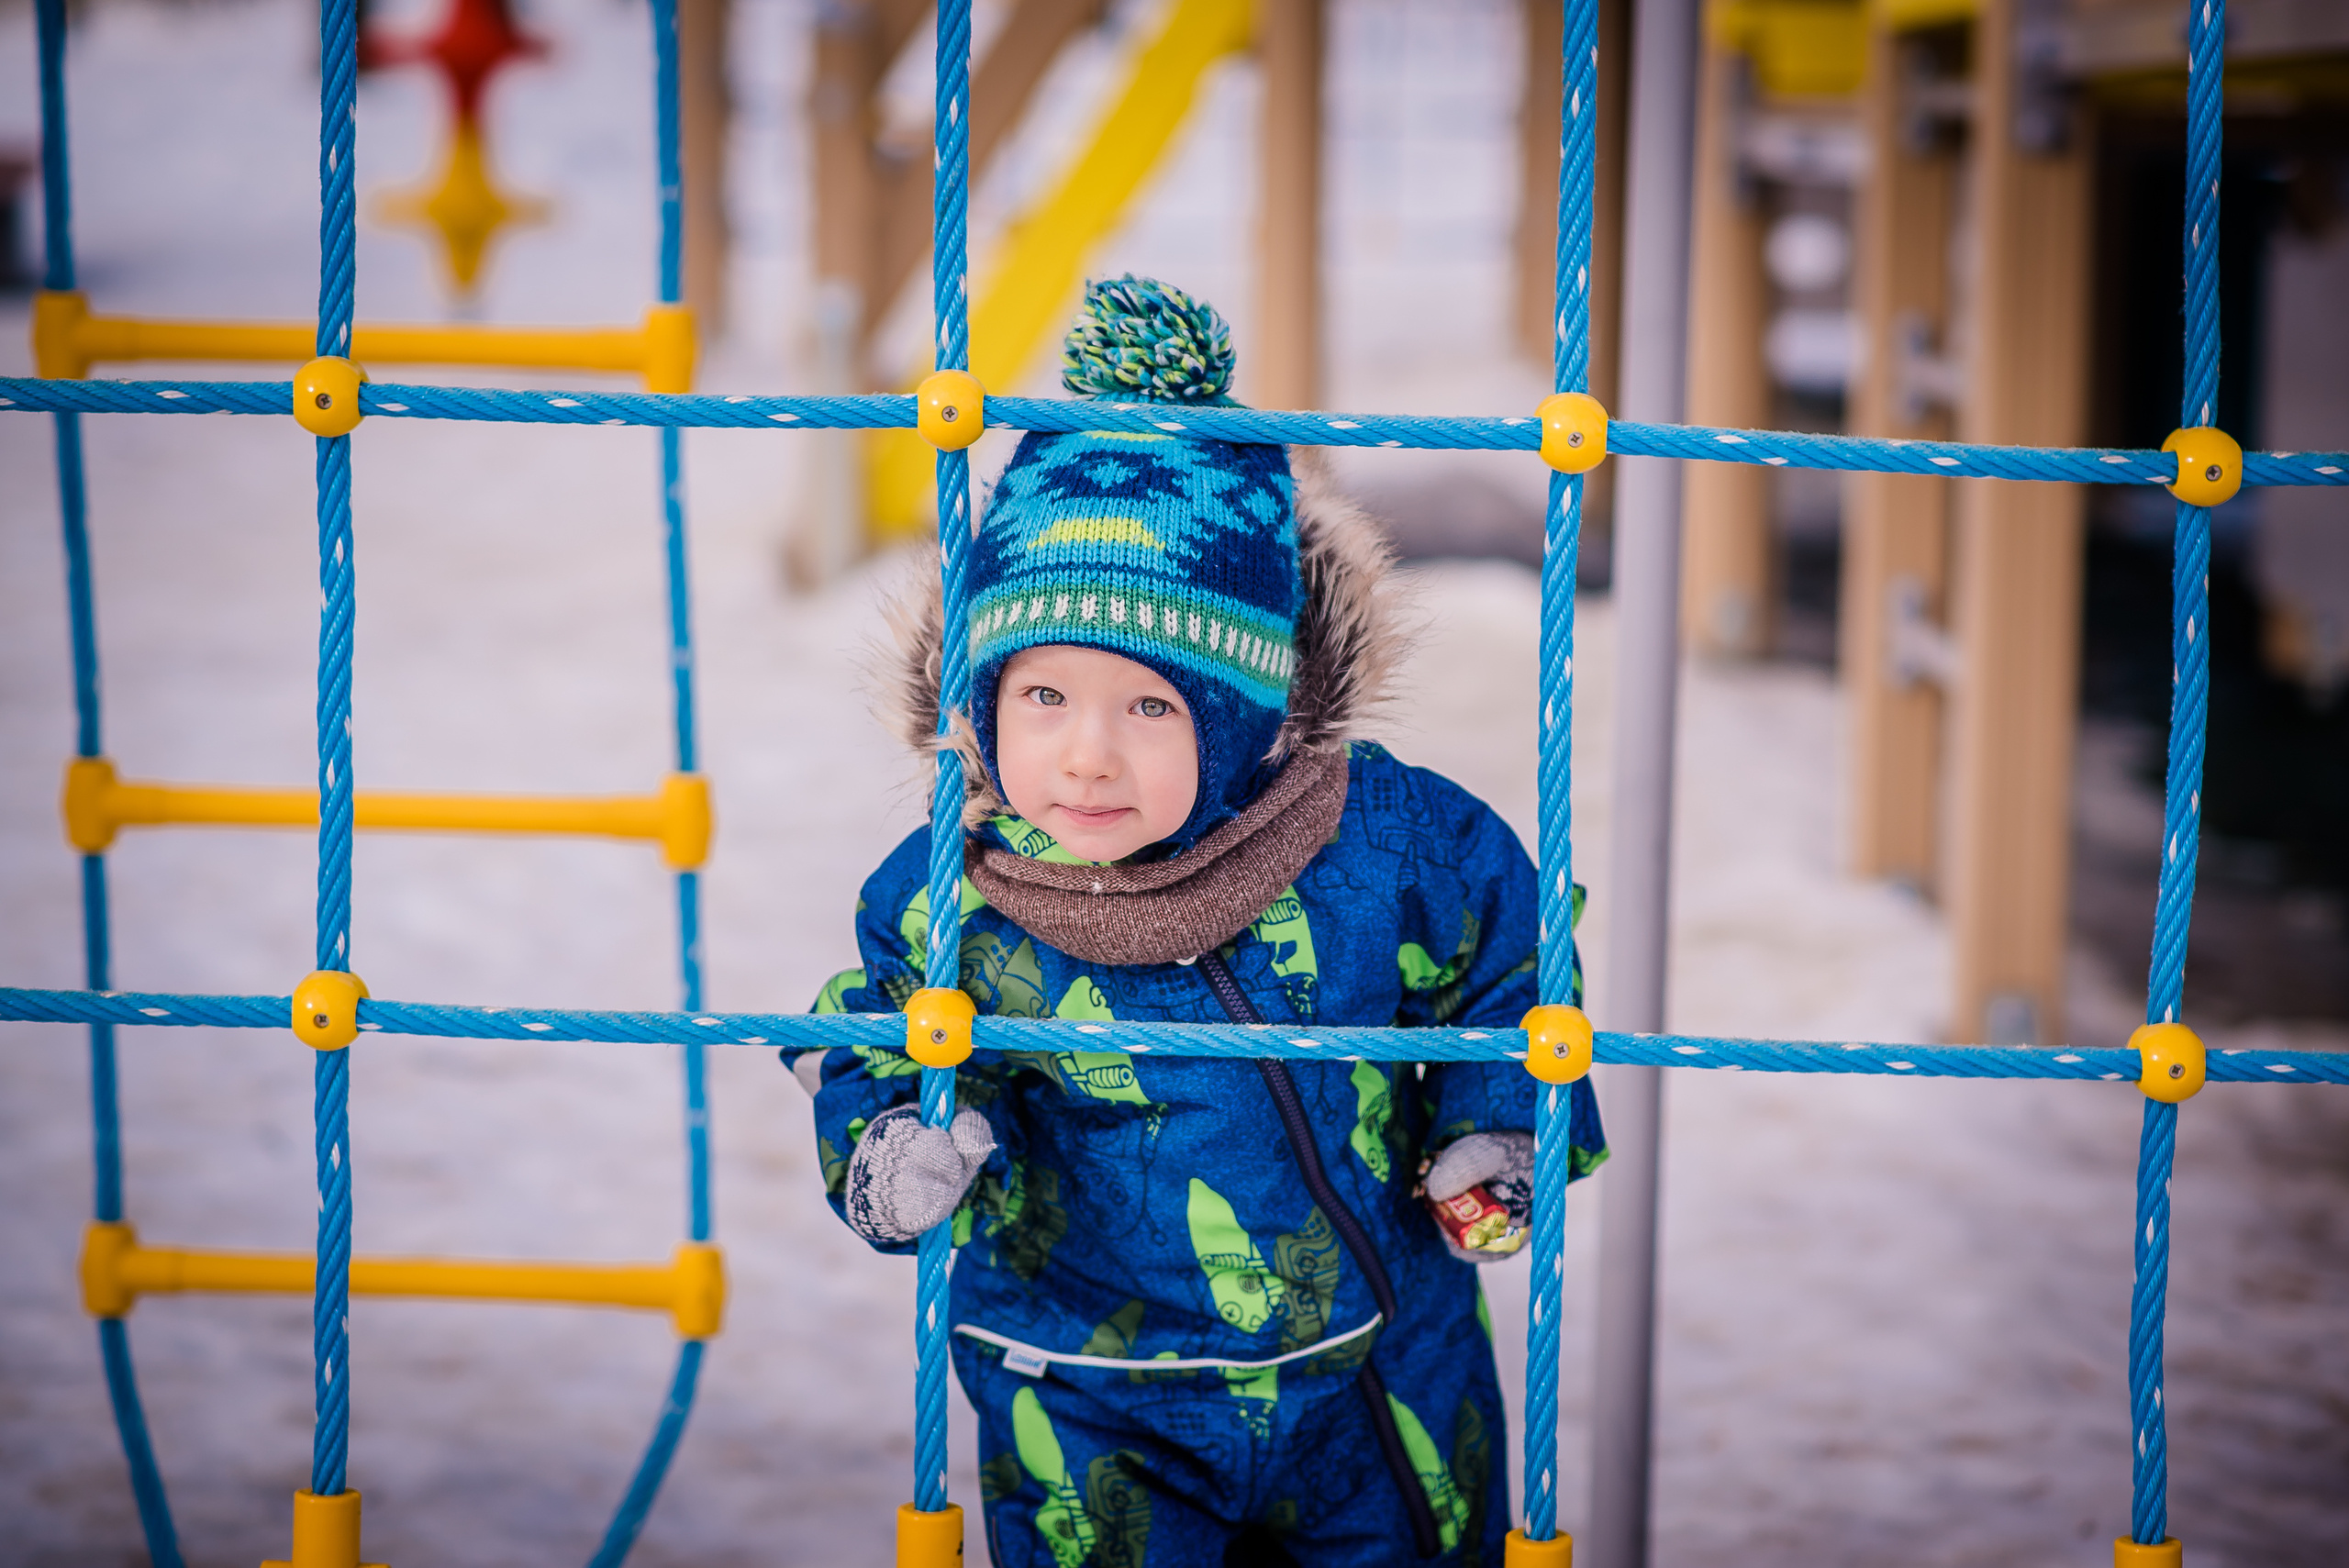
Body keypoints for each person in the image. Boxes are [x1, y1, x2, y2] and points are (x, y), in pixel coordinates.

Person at [792, 276, 1605, 1568]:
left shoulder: (1379, 842)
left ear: (1240, 717)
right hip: (1084, 1389)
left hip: (1377, 1369)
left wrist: (1488, 1127)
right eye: (1044, 693)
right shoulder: (949, 889)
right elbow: (869, 1032)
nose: (1085, 757)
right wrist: (891, 1145)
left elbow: (1506, 957)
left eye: (1153, 707)